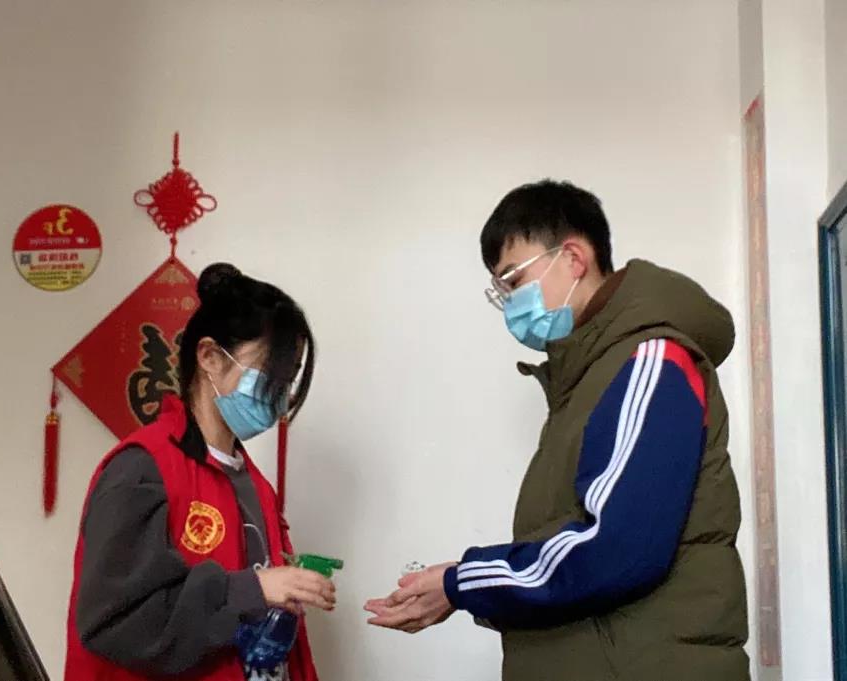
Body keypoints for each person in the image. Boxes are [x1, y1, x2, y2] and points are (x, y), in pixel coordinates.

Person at [365, 180, 749, 681]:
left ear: (573, 257)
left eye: (513, 279)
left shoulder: (650, 361)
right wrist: (462, 588)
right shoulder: (587, 377)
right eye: (500, 292)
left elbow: (615, 549)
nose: (509, 303)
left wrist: (461, 583)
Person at [64, 263, 335, 681]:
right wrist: (253, 589)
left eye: (288, 382)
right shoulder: (141, 469)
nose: (279, 397)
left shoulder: (254, 483)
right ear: (209, 357)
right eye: (270, 376)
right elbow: (115, 622)